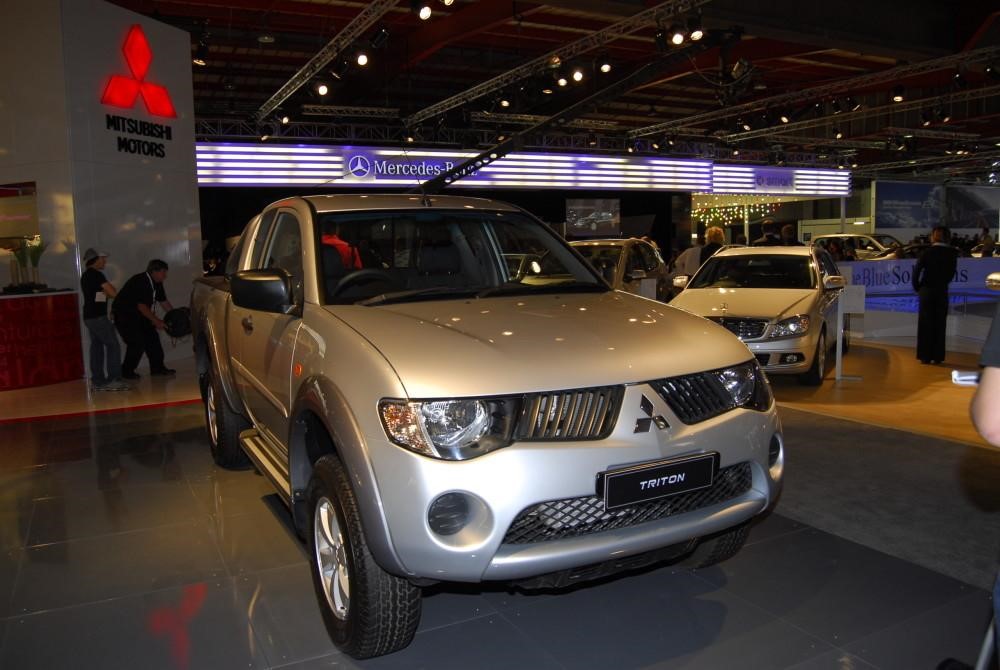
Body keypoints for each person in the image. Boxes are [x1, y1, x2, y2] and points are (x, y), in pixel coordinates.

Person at [112, 259, 176, 379]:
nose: (165, 276)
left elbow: (163, 301)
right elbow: (141, 306)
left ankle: (157, 368)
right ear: (154, 271)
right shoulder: (140, 281)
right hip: (124, 316)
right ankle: (126, 371)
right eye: (163, 272)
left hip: (139, 315)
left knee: (153, 339)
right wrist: (157, 321)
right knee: (136, 343)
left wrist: (175, 315)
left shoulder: (157, 282)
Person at [79, 248, 129, 391]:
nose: (105, 261)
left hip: (90, 316)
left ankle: (98, 381)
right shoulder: (97, 275)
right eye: (102, 259)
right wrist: (110, 290)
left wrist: (106, 294)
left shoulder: (86, 276)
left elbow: (97, 297)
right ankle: (113, 379)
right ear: (95, 260)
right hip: (98, 318)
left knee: (97, 347)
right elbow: (113, 293)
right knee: (113, 345)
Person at [912, 226, 958, 365]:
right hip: (941, 291)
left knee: (925, 324)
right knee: (940, 323)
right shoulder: (952, 253)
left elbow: (917, 272)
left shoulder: (927, 252)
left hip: (926, 291)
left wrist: (918, 287)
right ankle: (938, 356)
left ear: (933, 236)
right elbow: (951, 274)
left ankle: (925, 356)